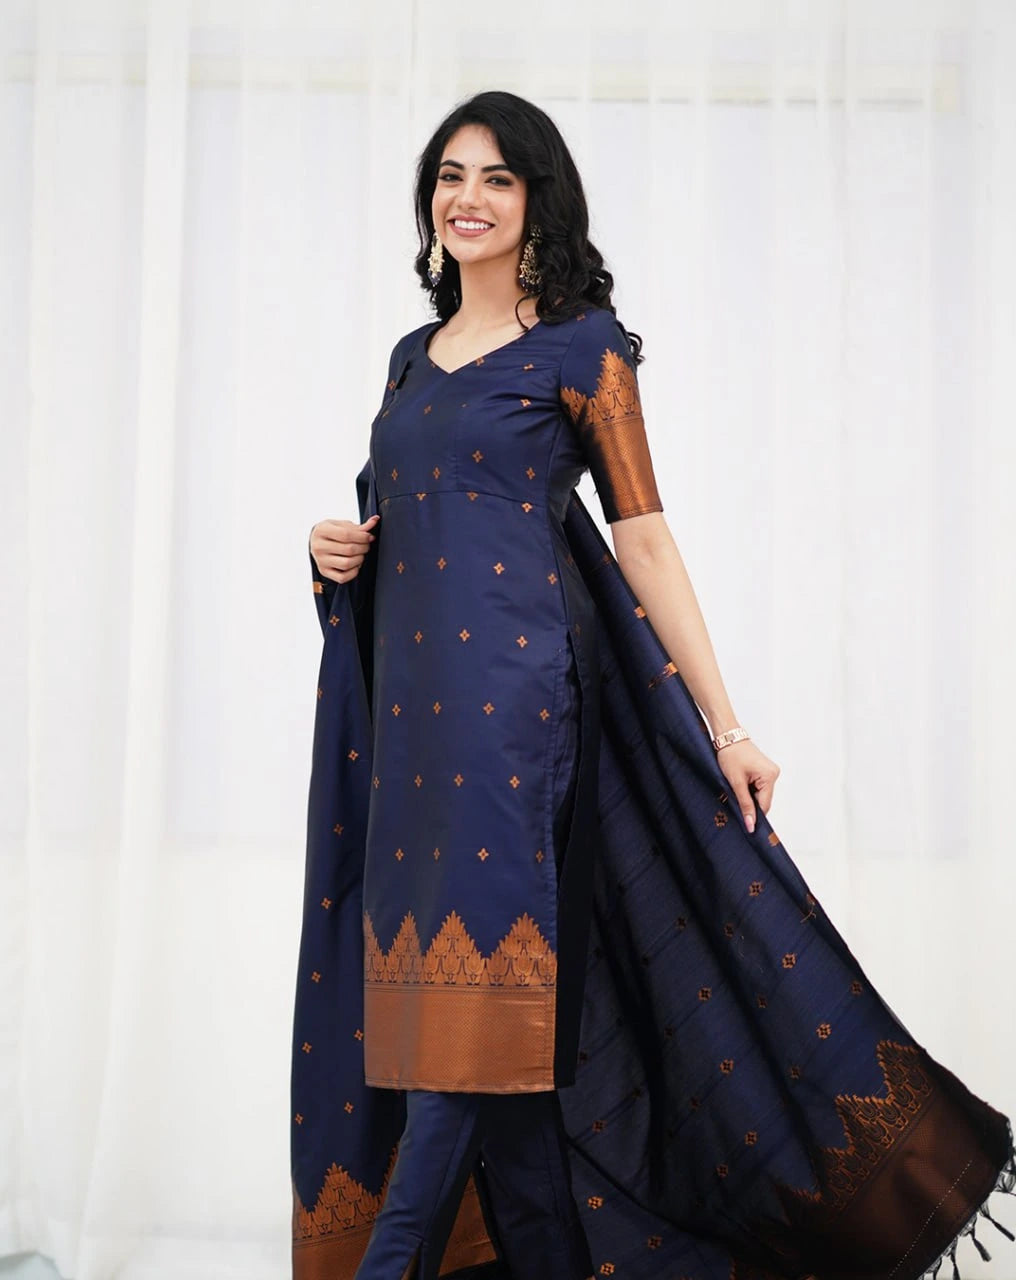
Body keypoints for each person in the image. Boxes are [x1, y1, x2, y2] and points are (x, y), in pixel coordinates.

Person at [291, 91, 1014, 1280]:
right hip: (417, 747)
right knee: (494, 1071)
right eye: (449, 175)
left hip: (519, 731)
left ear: (538, 202)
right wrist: (337, 551)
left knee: (462, 1045)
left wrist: (725, 724)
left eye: (497, 178)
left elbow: (644, 539)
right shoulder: (409, 363)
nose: (467, 197)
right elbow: (410, 529)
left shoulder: (585, 347)